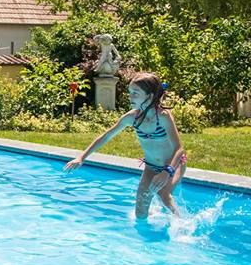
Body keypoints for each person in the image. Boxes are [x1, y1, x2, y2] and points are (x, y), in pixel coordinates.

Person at [64, 72, 186, 218]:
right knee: (140, 212)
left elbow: (179, 148)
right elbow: (106, 136)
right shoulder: (132, 117)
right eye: (130, 92)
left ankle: (183, 226)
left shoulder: (163, 116)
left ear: (150, 96)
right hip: (151, 167)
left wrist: (167, 171)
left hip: (174, 165)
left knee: (163, 194)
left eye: (135, 93)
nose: (130, 96)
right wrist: (82, 157)